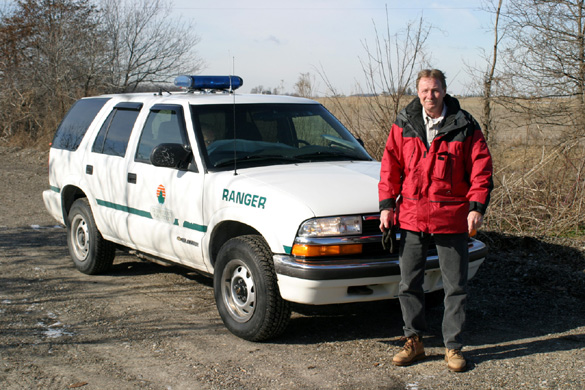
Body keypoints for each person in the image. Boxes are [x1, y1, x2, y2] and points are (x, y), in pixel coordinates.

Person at [378, 69, 493, 372]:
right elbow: (390, 165)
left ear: (444, 90)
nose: (431, 95)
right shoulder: (404, 123)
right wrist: (387, 205)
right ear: (418, 92)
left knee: (455, 286)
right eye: (425, 90)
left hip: (452, 217)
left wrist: (476, 206)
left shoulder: (464, 124)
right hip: (413, 216)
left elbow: (481, 169)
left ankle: (453, 348)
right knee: (409, 283)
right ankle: (413, 341)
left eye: (436, 90)